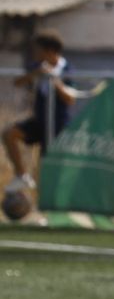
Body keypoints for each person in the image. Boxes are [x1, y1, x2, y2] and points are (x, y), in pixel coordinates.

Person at [5, 30, 75, 195]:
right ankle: (22, 175)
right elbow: (18, 82)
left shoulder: (66, 69)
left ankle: (45, 209)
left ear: (49, 51)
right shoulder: (37, 66)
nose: (35, 53)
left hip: (57, 125)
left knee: (45, 169)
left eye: (38, 49)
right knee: (10, 134)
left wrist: (54, 79)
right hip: (40, 121)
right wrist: (37, 73)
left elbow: (70, 99)